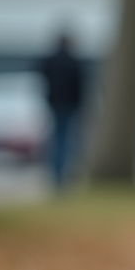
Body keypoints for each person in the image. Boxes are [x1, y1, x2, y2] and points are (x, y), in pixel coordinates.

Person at [37, 32, 85, 189]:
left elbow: (43, 78)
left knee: (56, 138)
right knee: (65, 140)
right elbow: (80, 84)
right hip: (69, 105)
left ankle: (55, 173)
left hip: (54, 103)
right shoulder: (73, 61)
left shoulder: (50, 60)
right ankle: (61, 174)